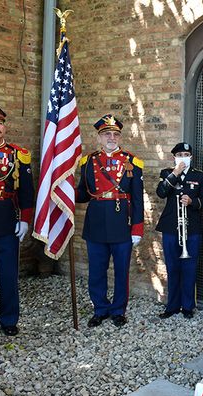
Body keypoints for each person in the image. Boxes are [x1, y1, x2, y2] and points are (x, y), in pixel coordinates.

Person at [76, 114, 144, 328]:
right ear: (99, 137)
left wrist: (137, 228)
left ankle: (118, 310)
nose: (111, 138)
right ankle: (100, 309)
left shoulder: (132, 162)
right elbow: (84, 194)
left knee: (121, 271)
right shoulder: (88, 162)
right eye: (107, 134)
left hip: (121, 222)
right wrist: (64, 188)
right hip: (95, 221)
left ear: (120, 137)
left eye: (115, 134)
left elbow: (137, 199)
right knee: (96, 270)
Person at [155, 142, 203, 319]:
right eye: (179, 154)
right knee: (172, 267)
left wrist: (193, 202)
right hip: (171, 228)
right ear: (174, 157)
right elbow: (161, 192)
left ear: (191, 157)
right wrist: (175, 173)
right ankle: (172, 306)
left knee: (189, 268)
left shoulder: (200, 176)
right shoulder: (167, 173)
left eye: (186, 154)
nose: (183, 157)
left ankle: (187, 306)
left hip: (192, 228)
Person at [0, 104, 34, 336]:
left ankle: (9, 320)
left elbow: (27, 191)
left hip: (7, 223)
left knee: (8, 276)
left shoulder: (17, 154)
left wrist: (25, 220)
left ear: (5, 127)